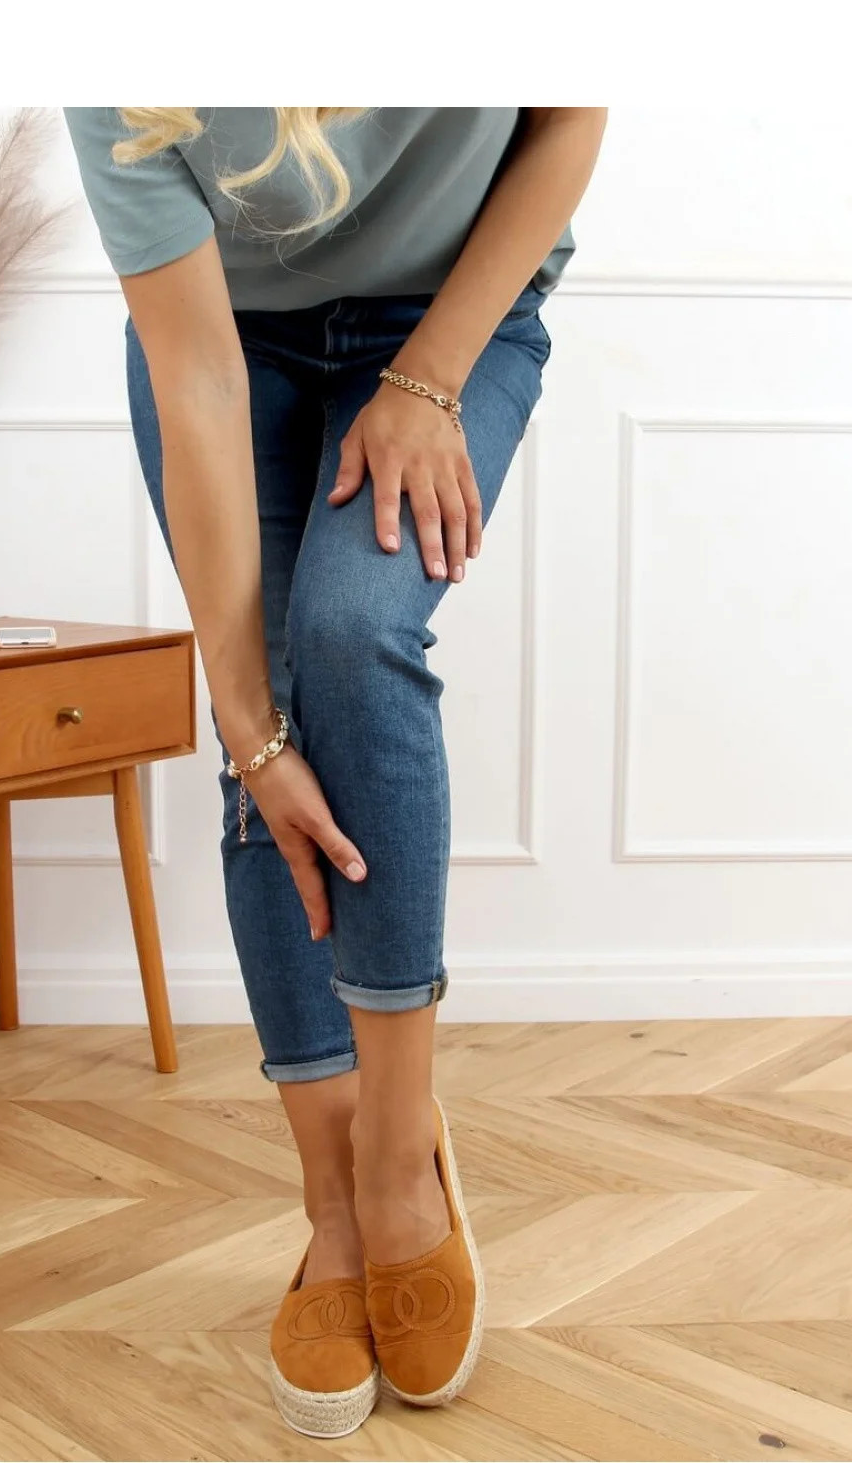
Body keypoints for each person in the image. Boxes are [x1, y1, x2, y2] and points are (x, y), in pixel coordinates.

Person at [64, 105, 606, 1438]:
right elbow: (195, 376)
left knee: (355, 633)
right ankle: (333, 1205)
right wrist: (248, 725)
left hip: (448, 306)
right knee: (270, 720)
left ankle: (399, 1154)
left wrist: (427, 382)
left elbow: (573, 108)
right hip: (225, 342)